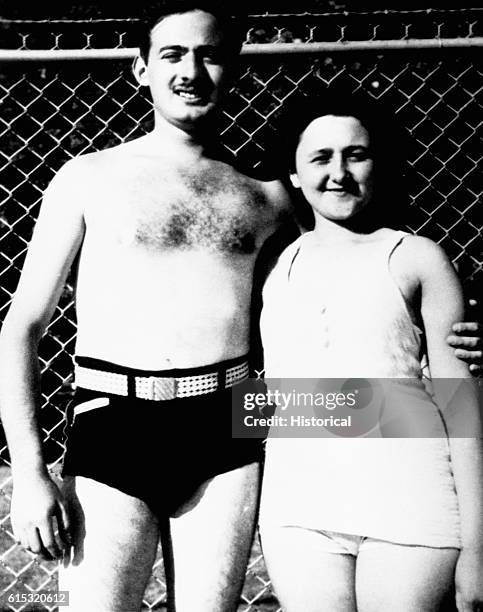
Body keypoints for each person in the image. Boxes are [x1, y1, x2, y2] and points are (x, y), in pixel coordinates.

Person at [0, 5, 480, 611]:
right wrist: (30, 470)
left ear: (233, 69)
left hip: (228, 420)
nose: (191, 70)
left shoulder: (271, 194)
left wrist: (449, 329)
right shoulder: (89, 177)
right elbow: (23, 324)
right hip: (112, 418)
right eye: (173, 54)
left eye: (210, 54)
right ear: (140, 68)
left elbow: (357, 261)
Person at [258, 93, 483, 612]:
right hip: (300, 509)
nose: (338, 173)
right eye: (319, 158)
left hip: (411, 503)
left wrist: (477, 545)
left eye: (355, 154)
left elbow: (462, 408)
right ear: (292, 173)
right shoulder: (269, 263)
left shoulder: (416, 256)